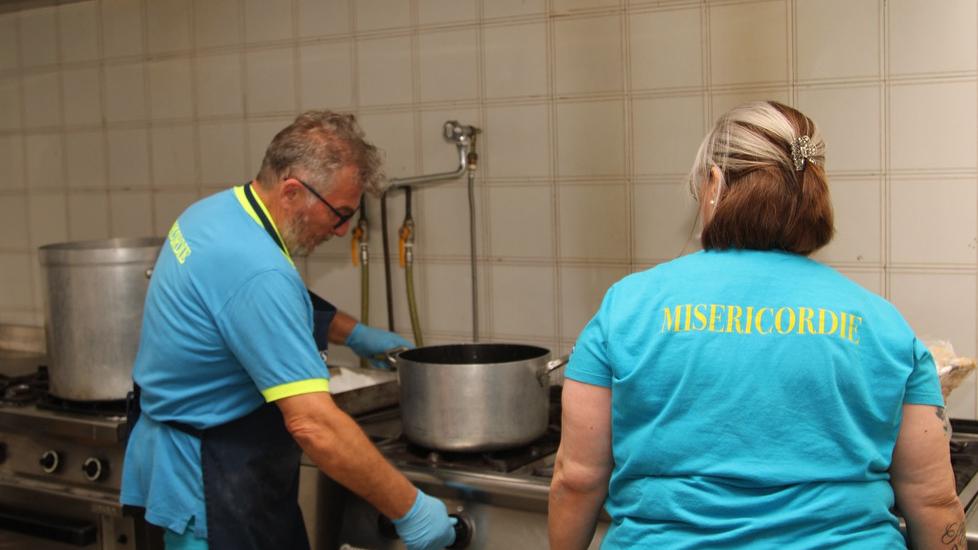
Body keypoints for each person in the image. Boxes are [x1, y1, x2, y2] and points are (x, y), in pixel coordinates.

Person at [549, 101, 965, 549]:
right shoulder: (883, 324)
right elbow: (933, 500)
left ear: (714, 183)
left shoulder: (627, 306)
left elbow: (577, 479)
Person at [121, 111, 456, 550]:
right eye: (339, 214)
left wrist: (355, 333)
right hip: (210, 485)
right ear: (293, 191)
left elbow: (247, 305)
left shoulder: (215, 213)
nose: (341, 230)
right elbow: (313, 425)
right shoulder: (258, 271)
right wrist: (410, 510)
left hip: (186, 453)